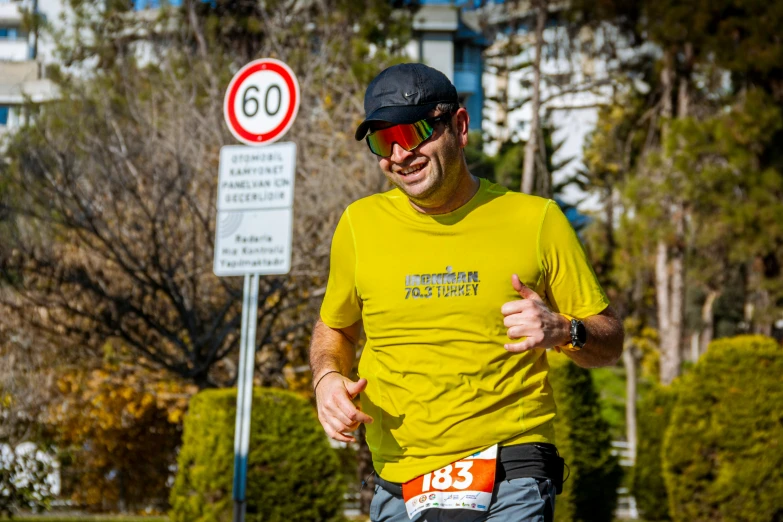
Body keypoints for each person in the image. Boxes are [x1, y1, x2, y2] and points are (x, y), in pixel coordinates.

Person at [308, 63, 624, 522]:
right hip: (399, 475)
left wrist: (565, 330)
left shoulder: (537, 220)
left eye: (413, 131)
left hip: (511, 465)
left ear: (458, 126)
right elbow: (335, 327)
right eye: (382, 140)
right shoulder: (359, 224)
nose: (399, 154)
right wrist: (327, 379)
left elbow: (609, 340)